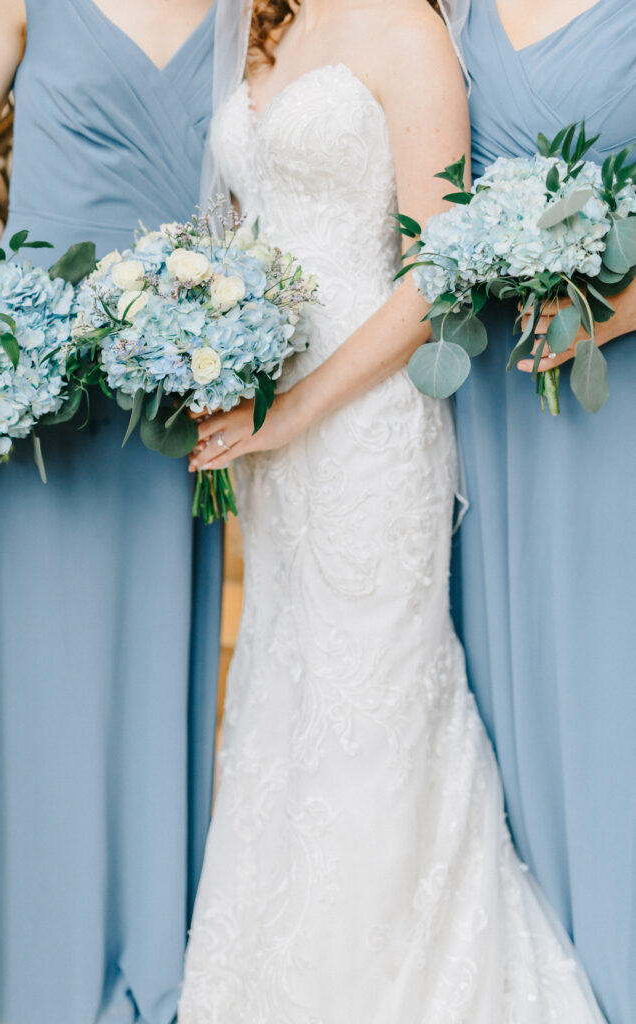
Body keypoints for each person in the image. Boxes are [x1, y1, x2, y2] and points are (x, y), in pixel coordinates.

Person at [178, 1, 605, 1019]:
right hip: (271, 427)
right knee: (287, 680)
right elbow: (243, 222)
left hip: (368, 425)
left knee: (370, 690)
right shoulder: (267, 33)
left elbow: (434, 273)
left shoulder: (408, 32)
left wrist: (295, 408)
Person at [0, 2, 221, 1022]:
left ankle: (150, 953)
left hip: (166, 397)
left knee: (146, 669)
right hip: (32, 398)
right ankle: (34, 960)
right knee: (38, 682)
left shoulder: (250, 13)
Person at [439, 1, 636, 1021]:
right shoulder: (452, 13)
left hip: (612, 394)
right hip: (494, 396)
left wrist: (607, 303)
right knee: (508, 667)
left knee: (612, 673)